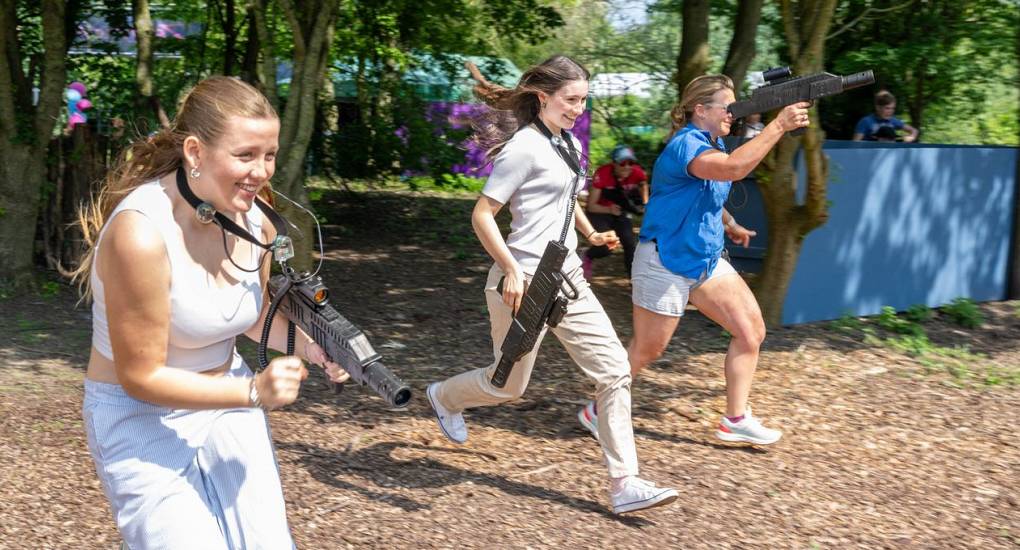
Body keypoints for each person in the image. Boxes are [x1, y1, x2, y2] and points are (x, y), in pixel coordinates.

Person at [71, 76, 348, 548]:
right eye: (245, 155)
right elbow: (140, 376)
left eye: (269, 155)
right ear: (196, 153)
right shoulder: (140, 234)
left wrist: (313, 346)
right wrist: (254, 391)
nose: (261, 171)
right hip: (139, 415)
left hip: (226, 404)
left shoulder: (253, 216)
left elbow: (250, 315)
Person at [425, 55, 678, 515]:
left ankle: (625, 482)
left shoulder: (568, 144)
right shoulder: (524, 146)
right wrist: (512, 268)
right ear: (543, 97)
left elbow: (565, 197)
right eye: (571, 99)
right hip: (520, 281)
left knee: (615, 370)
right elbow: (482, 215)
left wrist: (589, 233)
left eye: (583, 100)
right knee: (507, 387)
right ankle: (443, 396)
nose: (579, 108)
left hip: (568, 277)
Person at [576, 74, 810, 446]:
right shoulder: (686, 145)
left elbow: (704, 196)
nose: (733, 113)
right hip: (665, 260)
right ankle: (596, 410)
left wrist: (730, 223)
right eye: (726, 106)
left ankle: (735, 419)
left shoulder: (711, 142)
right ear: (700, 109)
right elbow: (733, 168)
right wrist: (779, 124)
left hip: (705, 259)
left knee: (751, 332)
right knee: (647, 349)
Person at [582, 144, 649, 279]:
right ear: (614, 164)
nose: (627, 167)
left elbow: (643, 183)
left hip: (620, 212)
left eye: (631, 162)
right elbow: (591, 206)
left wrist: (645, 203)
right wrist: (609, 209)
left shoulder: (636, 172)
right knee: (605, 248)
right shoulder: (603, 173)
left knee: (630, 244)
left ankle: (633, 281)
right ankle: (587, 255)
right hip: (599, 212)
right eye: (623, 163)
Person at [852, 90, 918, 142]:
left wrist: (911, 137)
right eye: (887, 108)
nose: (891, 111)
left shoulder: (893, 121)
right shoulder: (865, 122)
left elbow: (914, 131)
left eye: (893, 108)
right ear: (878, 107)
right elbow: (855, 144)